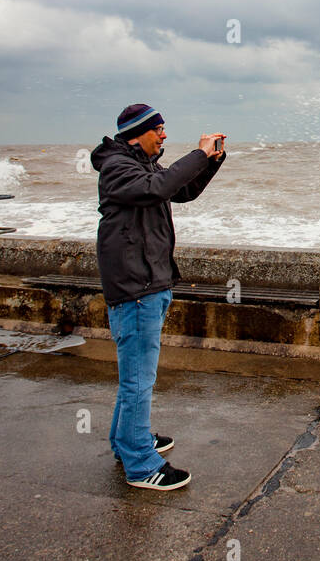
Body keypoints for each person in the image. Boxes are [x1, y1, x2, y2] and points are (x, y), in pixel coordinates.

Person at [90, 103, 226, 491]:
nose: (165, 136)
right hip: (135, 289)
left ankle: (127, 441)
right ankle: (140, 464)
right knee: (138, 380)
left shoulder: (140, 165)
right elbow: (160, 187)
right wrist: (197, 153)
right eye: (159, 130)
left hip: (149, 284)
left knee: (134, 376)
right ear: (138, 132)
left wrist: (211, 161)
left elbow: (180, 191)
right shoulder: (119, 168)